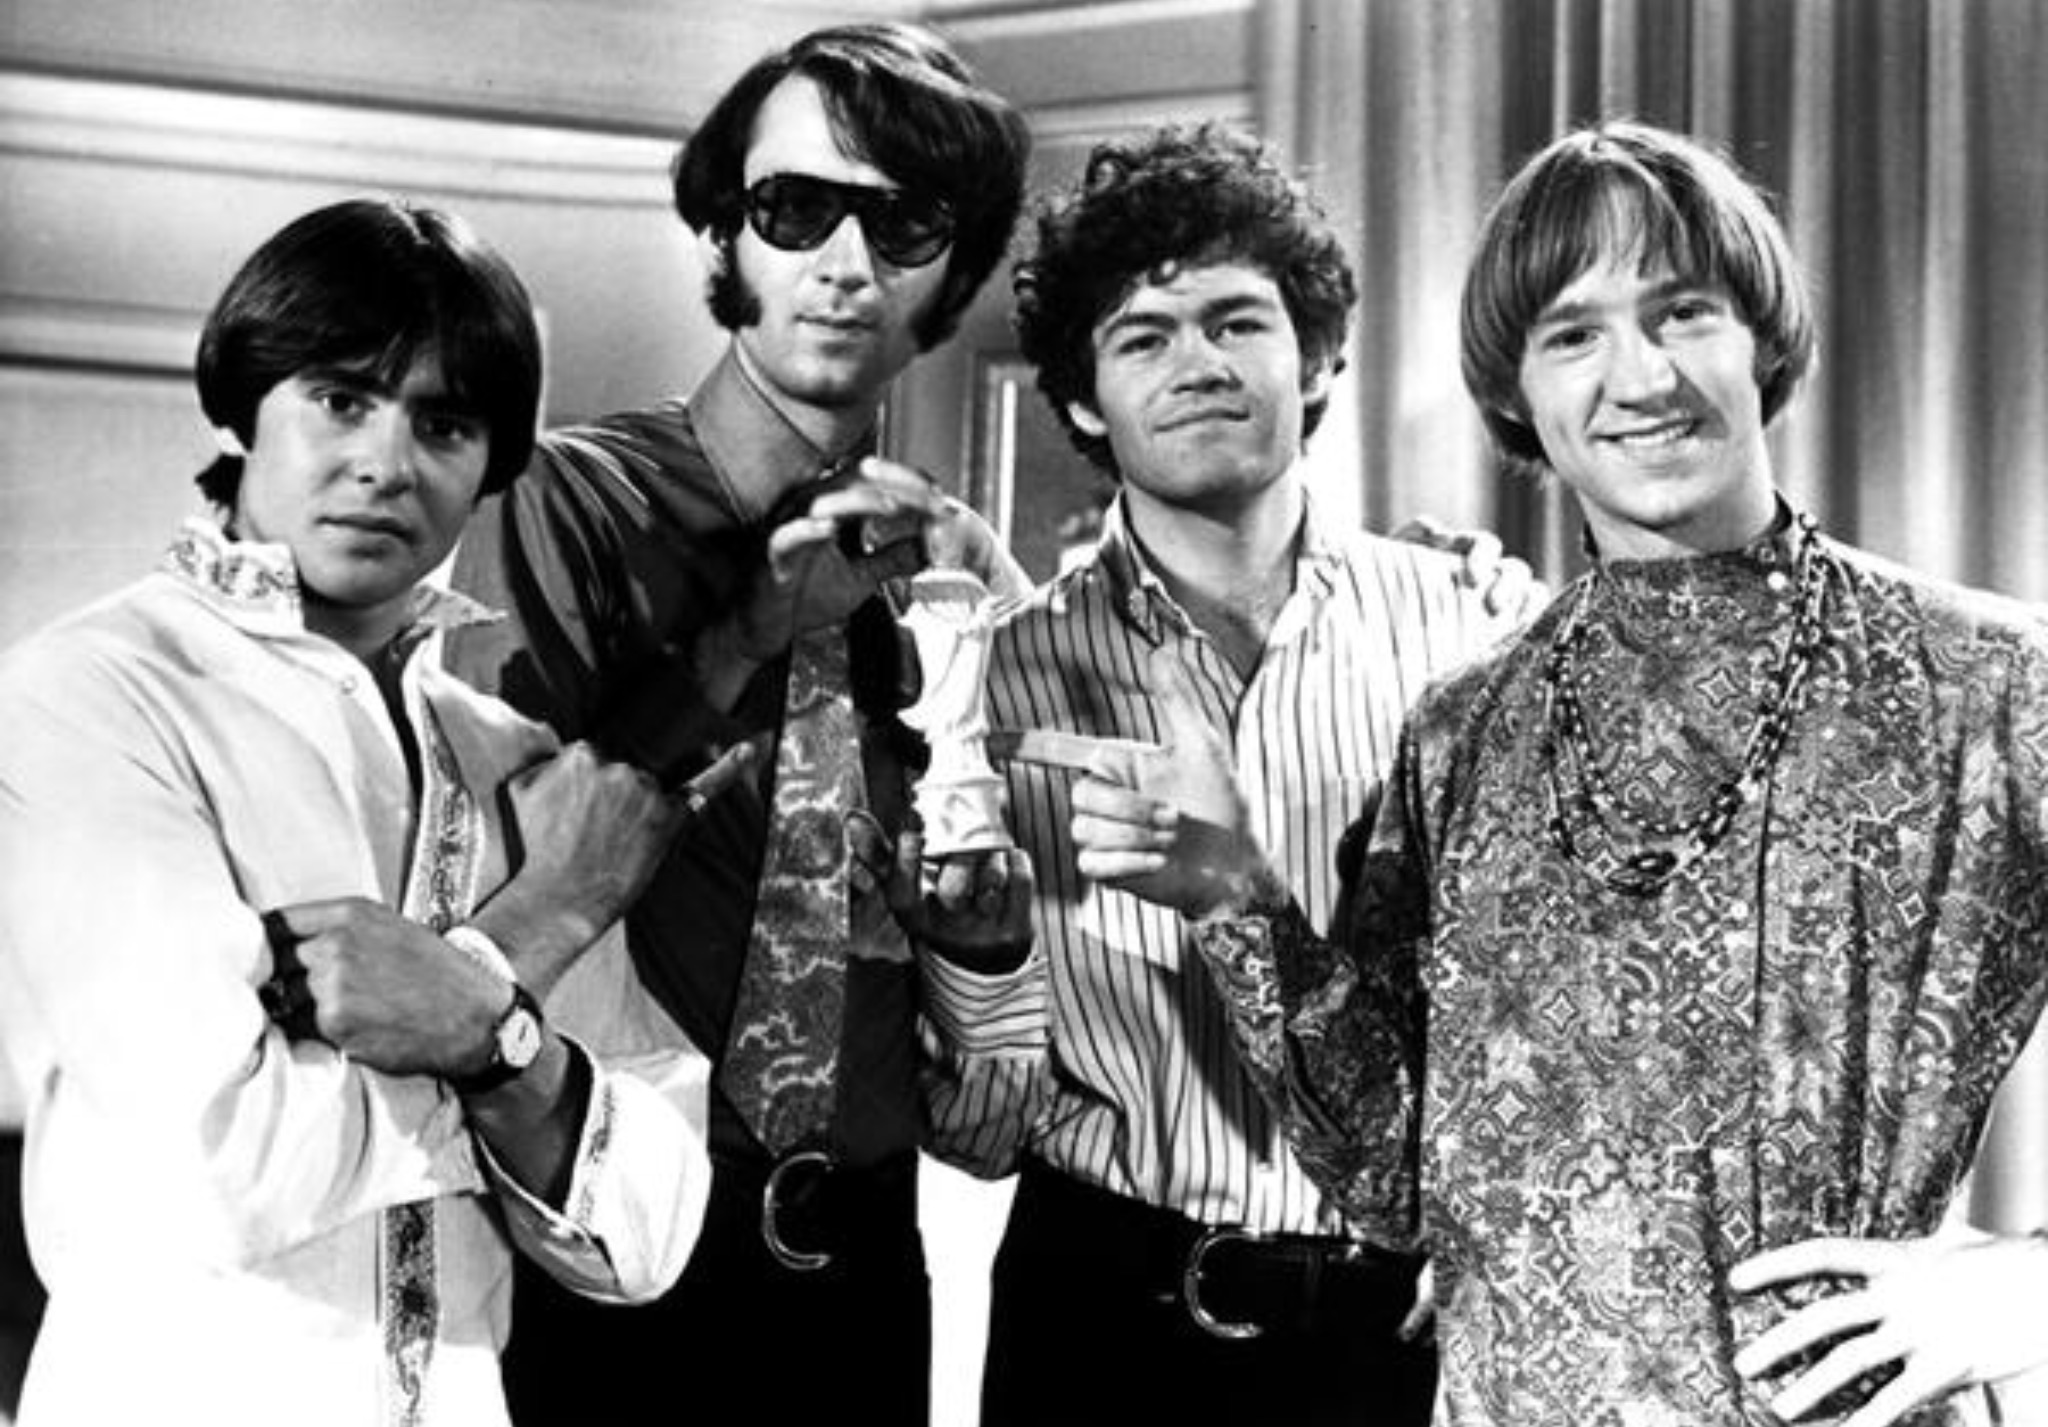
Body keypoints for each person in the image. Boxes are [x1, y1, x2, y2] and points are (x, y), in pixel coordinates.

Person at [1037, 120, 2048, 1425]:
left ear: (1761, 339)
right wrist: (1235, 894)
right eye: (1574, 334)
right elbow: (1393, 1177)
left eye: (1683, 312)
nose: (1642, 375)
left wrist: (2028, 1282)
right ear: (1516, 392)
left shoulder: (1987, 682)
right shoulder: (1462, 729)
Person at [0, 198, 726, 1427]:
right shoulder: (91, 694)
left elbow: (644, 1229)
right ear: (242, 408)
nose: (388, 463)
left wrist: (472, 1025)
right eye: (340, 399)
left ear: (490, 462)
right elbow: (221, 1165)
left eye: (443, 423)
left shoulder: (509, 758)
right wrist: (533, 947)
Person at [443, 22, 1038, 1427]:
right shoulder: (565, 501)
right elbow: (521, 870)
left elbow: (1006, 926)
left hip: (866, 1251)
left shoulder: (958, 570)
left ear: (951, 267)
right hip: (620, 1222)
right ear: (724, 232)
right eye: (795, 208)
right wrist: (743, 633)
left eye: (901, 222)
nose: (847, 263)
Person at [924, 123, 1530, 1427]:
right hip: (1102, 1319)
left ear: (1315, 357)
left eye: (1236, 320)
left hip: (1402, 1328)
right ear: (1082, 399)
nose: (1196, 361)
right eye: (1142, 336)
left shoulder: (1475, 632)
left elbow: (1538, 1008)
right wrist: (974, 962)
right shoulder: (990, 688)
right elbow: (976, 1125)